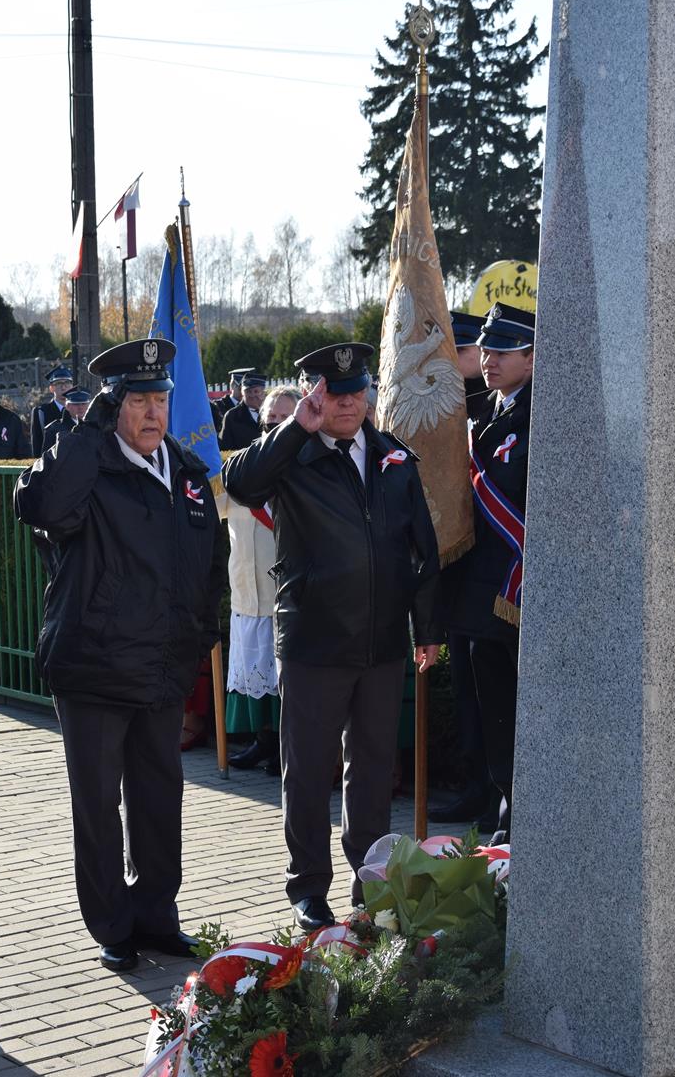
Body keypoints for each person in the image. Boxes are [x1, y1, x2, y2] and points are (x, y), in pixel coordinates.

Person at [13, 338, 225, 973]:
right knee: (99, 804)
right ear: (112, 407)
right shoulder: (86, 465)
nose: (153, 413)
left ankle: (157, 914)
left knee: (160, 798)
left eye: (160, 399)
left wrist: (199, 633)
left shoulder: (184, 473)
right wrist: (87, 435)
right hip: (95, 665)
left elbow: (209, 561)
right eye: (137, 401)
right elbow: (40, 506)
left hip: (162, 665)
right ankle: (111, 923)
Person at [223, 341, 442, 931]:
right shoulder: (291, 456)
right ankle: (307, 885)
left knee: (372, 768)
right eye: (333, 394)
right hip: (315, 639)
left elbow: (422, 547)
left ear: (369, 394)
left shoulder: (394, 457)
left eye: (355, 392)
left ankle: (369, 878)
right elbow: (239, 483)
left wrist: (428, 627)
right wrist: (296, 428)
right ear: (315, 395)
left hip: (381, 640)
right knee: (310, 767)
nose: (346, 404)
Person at [441, 303, 535, 841]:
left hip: (517, 591)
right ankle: (504, 810)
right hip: (483, 594)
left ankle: (520, 817)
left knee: (518, 712)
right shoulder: (489, 413)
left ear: (531, 356)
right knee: (492, 710)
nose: (490, 360)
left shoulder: (540, 418)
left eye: (502, 352)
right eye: (488, 350)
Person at [428, 310, 498, 830]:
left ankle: (490, 790)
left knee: (492, 696)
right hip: (460, 572)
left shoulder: (492, 408)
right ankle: (475, 784)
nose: (454, 362)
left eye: (461, 351)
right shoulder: (451, 406)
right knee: (470, 695)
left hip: (497, 578)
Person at [225, 386, 300, 775]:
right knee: (256, 674)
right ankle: (263, 741)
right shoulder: (242, 467)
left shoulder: (304, 468)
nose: (273, 428)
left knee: (285, 679)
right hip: (247, 591)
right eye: (269, 421)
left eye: (283, 421)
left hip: (287, 595)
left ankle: (284, 749)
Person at [31, 364, 75, 455]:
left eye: (67, 382)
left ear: (72, 385)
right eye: (59, 383)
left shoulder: (79, 410)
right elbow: (37, 444)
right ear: (51, 388)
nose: (63, 387)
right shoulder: (41, 412)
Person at [218, 370, 267, 450]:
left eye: (256, 391)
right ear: (242, 393)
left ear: (263, 392)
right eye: (248, 391)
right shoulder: (232, 416)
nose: (252, 395)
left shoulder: (273, 411)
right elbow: (225, 448)